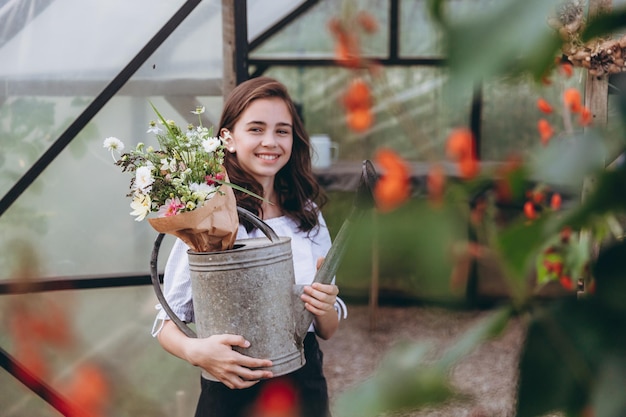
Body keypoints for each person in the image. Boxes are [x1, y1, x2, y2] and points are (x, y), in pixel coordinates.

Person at [152, 76, 343, 417]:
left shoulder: (307, 213)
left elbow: (326, 329)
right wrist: (199, 352)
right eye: (256, 129)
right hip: (232, 387)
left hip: (304, 384)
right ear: (227, 138)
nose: (271, 141)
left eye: (282, 131)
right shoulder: (209, 216)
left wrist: (325, 305)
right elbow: (166, 322)